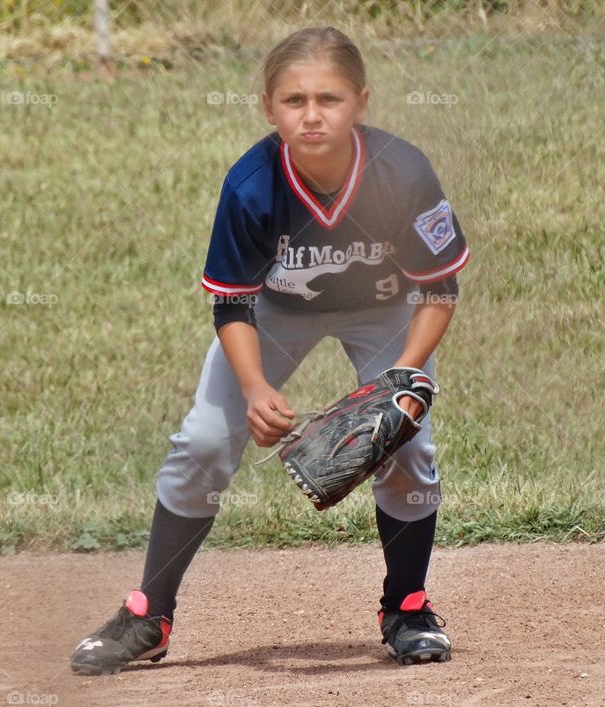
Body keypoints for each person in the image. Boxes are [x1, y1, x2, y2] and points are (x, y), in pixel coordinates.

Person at [70, 25, 469, 675]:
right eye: (294, 100)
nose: (312, 115)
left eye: (330, 98)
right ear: (268, 107)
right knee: (202, 441)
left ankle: (407, 606)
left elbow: (440, 287)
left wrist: (406, 372)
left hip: (385, 309)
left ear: (361, 103)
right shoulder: (252, 184)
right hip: (276, 312)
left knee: (408, 443)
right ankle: (149, 613)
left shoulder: (402, 170)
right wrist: (255, 389)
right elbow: (232, 301)